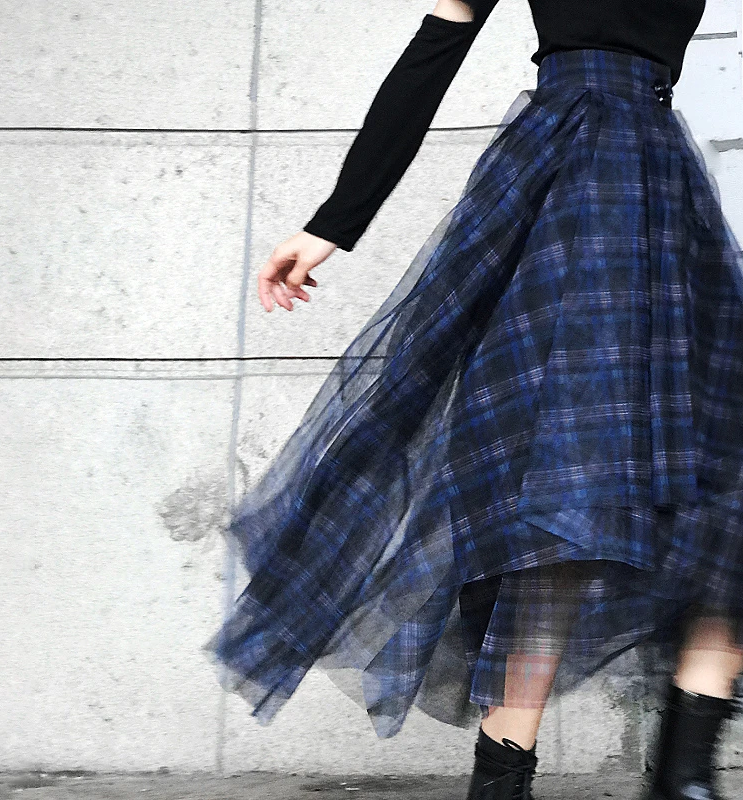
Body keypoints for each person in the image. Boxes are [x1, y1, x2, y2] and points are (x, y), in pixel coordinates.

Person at [208, 2, 743, 799]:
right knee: (586, 498)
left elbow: (435, 48)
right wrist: (333, 223)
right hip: (600, 185)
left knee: (707, 496)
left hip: (627, 187)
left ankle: (660, 779)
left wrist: (333, 223)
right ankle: (607, 780)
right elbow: (435, 51)